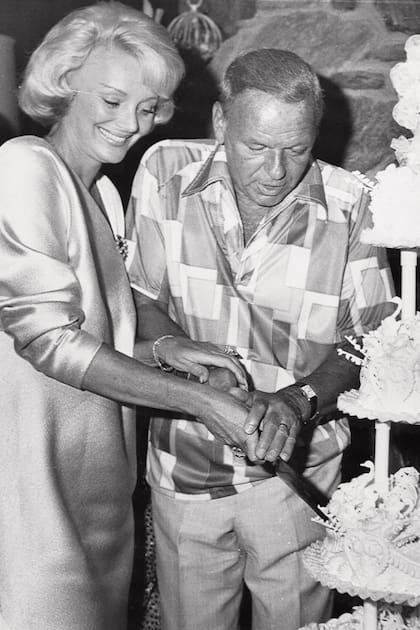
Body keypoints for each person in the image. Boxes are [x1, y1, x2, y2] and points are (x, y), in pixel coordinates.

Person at [0, 6, 277, 630]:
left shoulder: (99, 192)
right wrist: (199, 403)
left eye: (149, 106)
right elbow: (49, 342)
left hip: (96, 483)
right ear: (65, 82)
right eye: (112, 99)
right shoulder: (23, 166)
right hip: (31, 487)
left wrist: (168, 348)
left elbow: (99, 330)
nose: (131, 124)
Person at [126, 48, 396, 630]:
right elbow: (139, 298)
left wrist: (297, 402)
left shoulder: (353, 204)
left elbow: (370, 342)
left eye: (296, 149)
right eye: (256, 147)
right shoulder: (162, 171)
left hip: (299, 482)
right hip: (183, 470)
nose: (275, 170)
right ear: (222, 122)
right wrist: (191, 358)